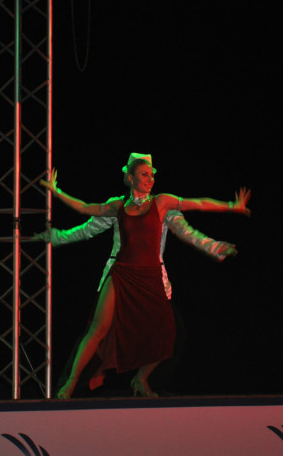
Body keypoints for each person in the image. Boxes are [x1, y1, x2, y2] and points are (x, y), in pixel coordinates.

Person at [40, 153, 250, 398]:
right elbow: (86, 209)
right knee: (98, 328)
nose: (150, 179)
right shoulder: (117, 206)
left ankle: (141, 379)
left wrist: (232, 207)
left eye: (152, 175)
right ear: (130, 178)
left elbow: (198, 204)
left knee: (169, 333)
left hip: (150, 277)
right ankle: (71, 383)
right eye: (144, 174)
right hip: (122, 273)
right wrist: (57, 192)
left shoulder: (162, 203)